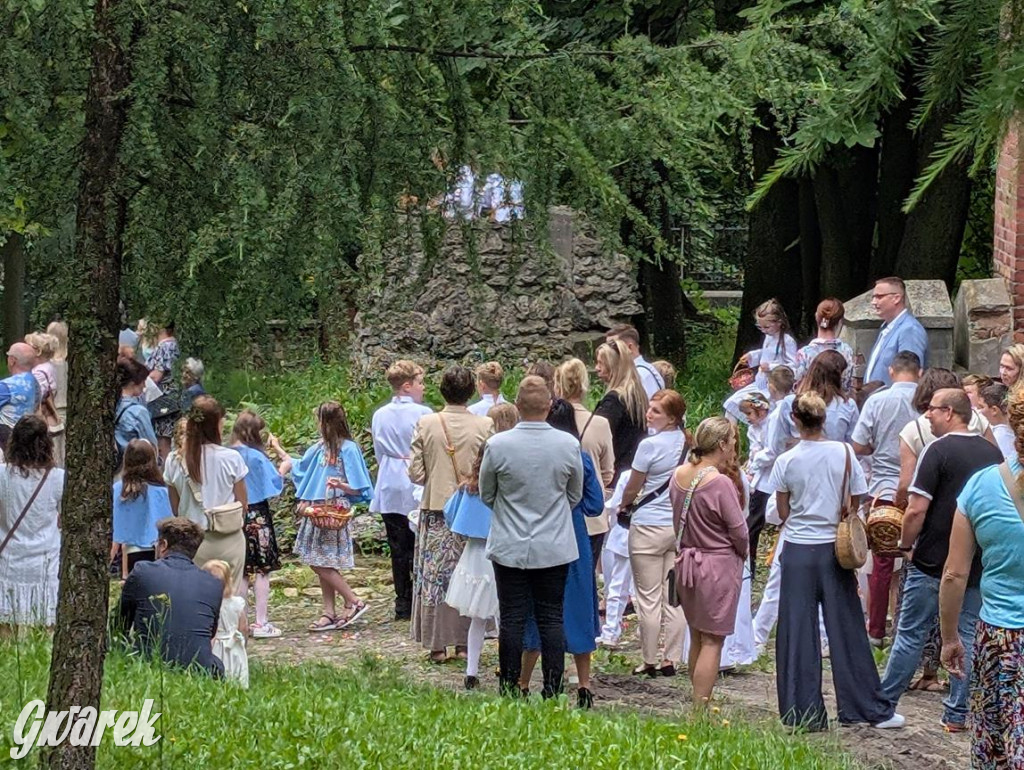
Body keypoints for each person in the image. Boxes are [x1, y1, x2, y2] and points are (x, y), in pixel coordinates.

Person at [768, 392, 904, 730]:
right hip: (835, 549)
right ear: (823, 418)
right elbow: (857, 496)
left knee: (797, 630)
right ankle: (864, 706)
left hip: (798, 549)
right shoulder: (843, 453)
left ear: (795, 420)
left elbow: (782, 511)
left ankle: (803, 712)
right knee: (846, 628)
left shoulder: (786, 461)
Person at [881, 388, 1002, 732]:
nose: (927, 416)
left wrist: (905, 543)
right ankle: (958, 713)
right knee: (966, 633)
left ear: (950, 412)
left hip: (932, 557)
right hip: (977, 560)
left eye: (932, 410)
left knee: (910, 632)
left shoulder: (937, 450)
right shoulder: (992, 453)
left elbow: (916, 508)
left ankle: (885, 702)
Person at [479, 376, 583, 698]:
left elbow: (487, 493)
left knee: (511, 617)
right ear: (550, 406)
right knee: (551, 617)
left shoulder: (498, 445)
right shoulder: (568, 445)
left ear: (517, 406)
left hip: (510, 543)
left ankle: (509, 686)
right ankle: (552, 688)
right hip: (554, 544)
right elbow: (574, 494)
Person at [939, 387, 1024, 769]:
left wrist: (950, 637)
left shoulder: (982, 486)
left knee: (996, 748)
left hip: (1000, 640)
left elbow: (955, 574)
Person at [519, 399, 604, 708]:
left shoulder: (532, 457)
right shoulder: (579, 458)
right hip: (574, 537)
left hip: (539, 534)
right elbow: (595, 505)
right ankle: (583, 686)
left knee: (537, 607)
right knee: (579, 606)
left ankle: (524, 681)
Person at [409, 365, 493, 662]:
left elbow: (416, 473)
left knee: (434, 577)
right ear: (471, 391)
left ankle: (436, 643)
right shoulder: (485, 425)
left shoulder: (427, 422)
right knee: (469, 573)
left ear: (441, 390)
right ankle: (465, 641)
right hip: (472, 511)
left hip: (436, 508)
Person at [671, 417, 748, 707]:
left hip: (687, 563)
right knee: (713, 641)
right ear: (721, 445)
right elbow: (738, 529)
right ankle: (700, 709)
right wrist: (742, 552)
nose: (733, 448)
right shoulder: (719, 482)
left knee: (697, 635)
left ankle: (696, 700)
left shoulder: (679, 475)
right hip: (716, 565)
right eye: (731, 442)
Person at [445, 402, 519, 690]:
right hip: (503, 550)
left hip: (475, 553)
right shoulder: (510, 471)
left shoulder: (472, 484)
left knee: (478, 617)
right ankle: (507, 664)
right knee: (505, 615)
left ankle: (472, 670)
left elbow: (452, 513)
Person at [850, 351, 921, 645]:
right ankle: (911, 629)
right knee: (917, 562)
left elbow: (857, 444)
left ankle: (876, 629)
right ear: (919, 372)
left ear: (892, 371)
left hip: (884, 488)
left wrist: (877, 449)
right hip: (921, 489)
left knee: (881, 562)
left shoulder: (877, 400)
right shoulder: (928, 403)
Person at [618, 389, 688, 677]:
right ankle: (671, 656)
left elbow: (634, 484)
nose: (649, 413)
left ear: (672, 418)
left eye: (656, 411)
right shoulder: (687, 443)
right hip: (676, 526)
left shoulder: (649, 446)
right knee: (673, 594)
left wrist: (624, 503)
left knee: (647, 596)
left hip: (647, 524)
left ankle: (649, 657)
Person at [289, 402, 373, 631]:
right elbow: (304, 470)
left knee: (319, 561)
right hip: (317, 509)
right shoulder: (319, 448)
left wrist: (341, 485)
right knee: (321, 560)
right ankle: (329, 611)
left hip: (333, 510)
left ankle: (353, 600)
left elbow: (360, 487)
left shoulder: (348, 449)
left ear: (325, 423)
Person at [117, 517, 224, 676]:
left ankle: (148, 703)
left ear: (163, 545)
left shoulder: (142, 571)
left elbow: (120, 624)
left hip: (149, 667)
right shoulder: (214, 583)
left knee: (147, 700)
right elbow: (210, 632)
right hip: (198, 670)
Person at [369, 360, 432, 621]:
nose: (423, 387)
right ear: (407, 386)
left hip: (390, 480)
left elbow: (378, 450)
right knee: (419, 542)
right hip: (414, 478)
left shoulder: (380, 415)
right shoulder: (423, 413)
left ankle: (402, 601)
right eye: (420, 383)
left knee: (397, 545)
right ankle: (419, 596)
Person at [163, 396, 248, 587]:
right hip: (228, 538)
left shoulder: (174, 461)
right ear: (217, 424)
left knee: (196, 598)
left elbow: (176, 509)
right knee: (228, 597)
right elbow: (243, 504)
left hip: (192, 541)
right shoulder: (231, 458)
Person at [230, 410, 290, 638]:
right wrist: (284, 468)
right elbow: (273, 483)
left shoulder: (227, 454)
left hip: (235, 515)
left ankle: (241, 620)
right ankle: (261, 621)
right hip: (258, 515)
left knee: (242, 571)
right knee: (262, 570)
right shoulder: (255, 457)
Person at [0, 416, 64, 631]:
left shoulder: (2, 475)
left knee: (6, 626)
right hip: (45, 560)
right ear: (46, 443)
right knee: (46, 624)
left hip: (7, 558)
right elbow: (64, 520)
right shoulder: (58, 478)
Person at [554, 358, 614, 565]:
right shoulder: (600, 424)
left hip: (554, 514)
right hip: (591, 515)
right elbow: (607, 472)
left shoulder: (547, 421)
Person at [723, 299, 798, 422]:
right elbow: (766, 353)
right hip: (760, 384)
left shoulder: (787, 341)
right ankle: (731, 436)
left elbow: (793, 367)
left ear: (779, 322)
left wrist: (771, 367)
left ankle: (761, 435)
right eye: (760, 327)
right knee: (733, 403)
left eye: (766, 327)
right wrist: (753, 356)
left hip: (773, 389)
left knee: (759, 412)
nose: (763, 330)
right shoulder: (768, 337)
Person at [112, 440, 172, 576]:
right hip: (155, 551)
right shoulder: (161, 492)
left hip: (129, 552)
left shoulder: (118, 490)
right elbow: (167, 522)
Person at [594, 340, 648, 479]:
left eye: (601, 363)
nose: (597, 368)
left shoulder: (614, 401)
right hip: (633, 468)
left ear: (613, 366)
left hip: (615, 472)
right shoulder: (636, 393)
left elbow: (597, 437)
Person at [863, 277, 929, 387]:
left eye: (879, 297)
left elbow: (909, 377)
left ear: (896, 298)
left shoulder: (909, 330)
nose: (873, 302)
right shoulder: (886, 327)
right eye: (873, 297)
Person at [204, 559, 249, 688]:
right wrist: (243, 641)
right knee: (237, 669)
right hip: (234, 644)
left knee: (217, 672)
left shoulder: (209, 604)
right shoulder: (236, 603)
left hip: (216, 645)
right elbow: (244, 627)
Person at [794, 298, 855, 391]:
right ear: (840, 321)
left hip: (812, 403)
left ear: (816, 316)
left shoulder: (804, 353)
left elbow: (798, 385)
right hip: (839, 402)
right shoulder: (847, 351)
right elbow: (848, 385)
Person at [145, 321, 181, 460]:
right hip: (175, 398)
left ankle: (165, 474)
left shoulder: (164, 347)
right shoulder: (176, 345)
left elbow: (156, 375)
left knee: (163, 440)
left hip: (162, 400)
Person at [0, 343, 42, 451]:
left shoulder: (6, 387)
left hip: (7, 442)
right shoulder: (35, 383)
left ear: (12, 360)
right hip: (29, 440)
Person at [115, 357, 157, 461]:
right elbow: (151, 446)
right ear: (133, 383)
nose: (144, 385)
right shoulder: (138, 412)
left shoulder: (111, 405)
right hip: (137, 465)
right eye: (143, 381)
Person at [606, 324, 664, 399]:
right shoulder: (638, 371)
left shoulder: (641, 374)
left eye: (613, 346)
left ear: (630, 347)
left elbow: (648, 407)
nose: (609, 352)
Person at [45, 322, 68, 467]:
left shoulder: (46, 366)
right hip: (69, 412)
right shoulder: (70, 363)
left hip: (52, 414)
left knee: (53, 454)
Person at [977, 381, 1015, 461]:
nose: (979, 411)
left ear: (994, 410)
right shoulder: (1015, 429)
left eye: (981, 407)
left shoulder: (1000, 437)